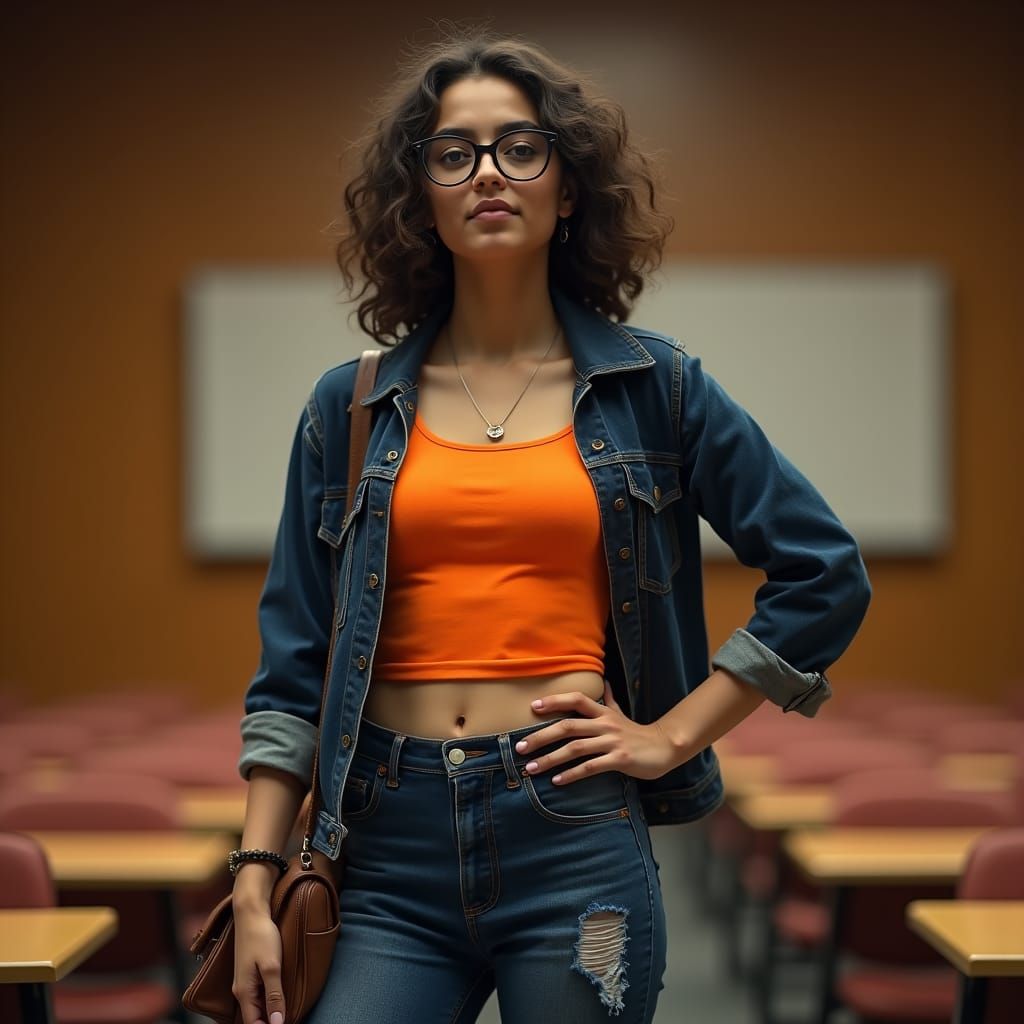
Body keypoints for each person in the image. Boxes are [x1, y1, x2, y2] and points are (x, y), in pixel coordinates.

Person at [228, 30, 871, 1024]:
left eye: (520, 147)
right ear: (421, 199)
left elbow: (822, 570)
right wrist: (255, 876)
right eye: (454, 153)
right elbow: (292, 664)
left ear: (568, 190)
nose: (488, 172)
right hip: (383, 846)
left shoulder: (656, 388)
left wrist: (671, 736)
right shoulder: (347, 407)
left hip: (571, 837)